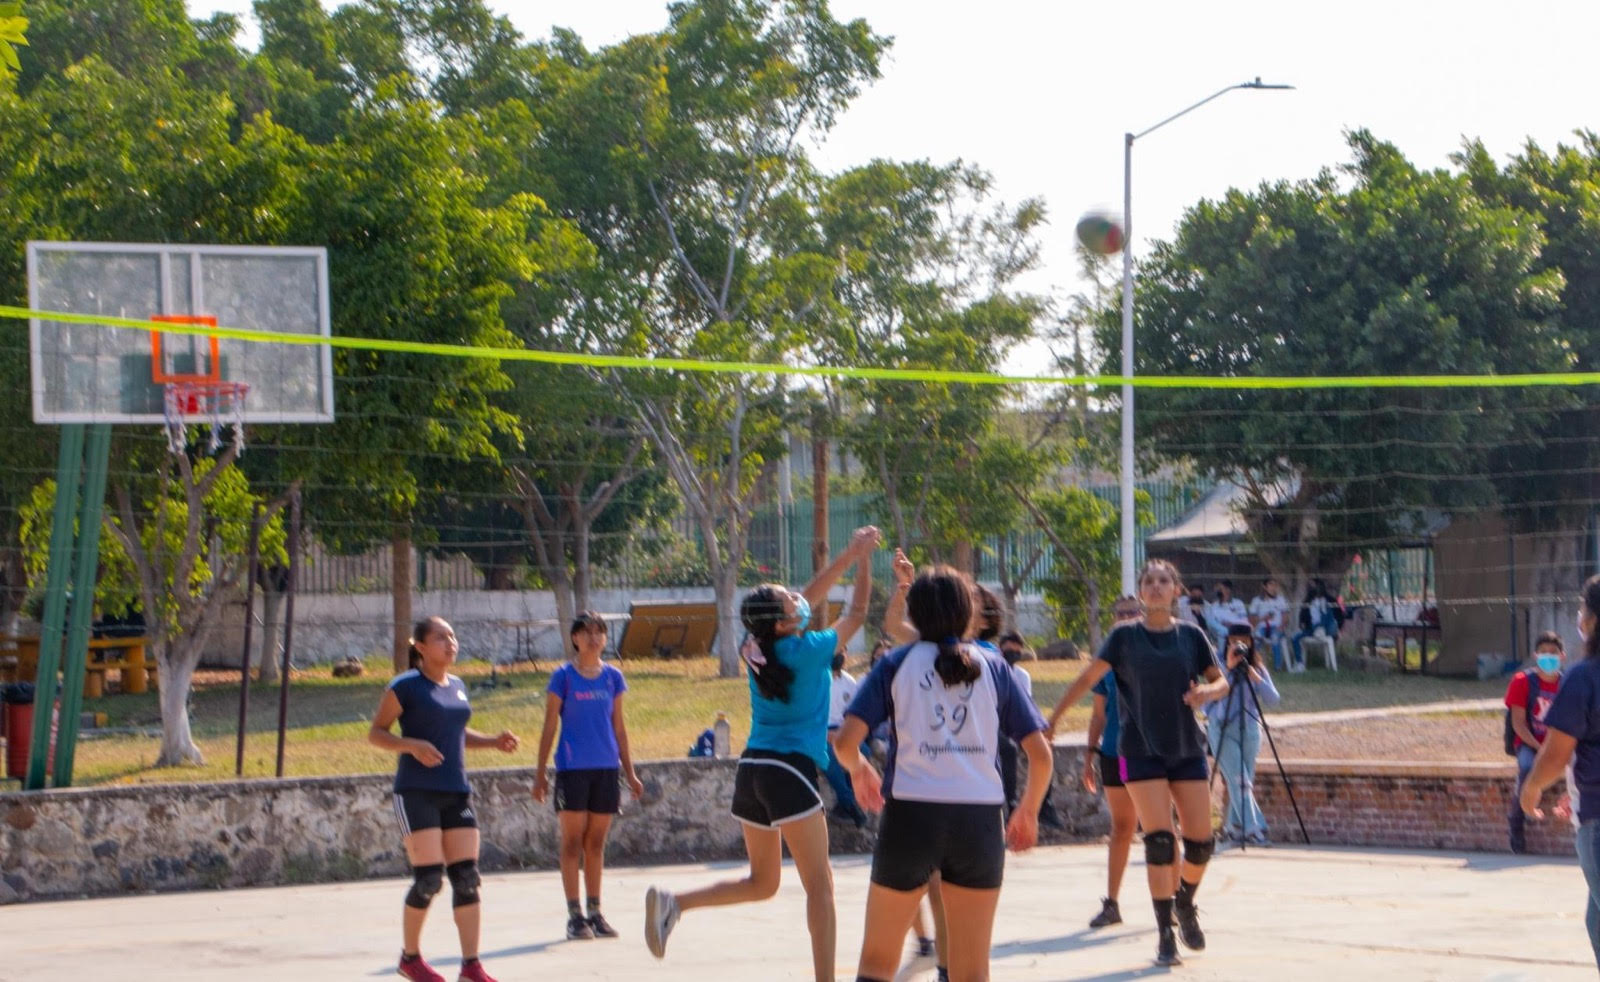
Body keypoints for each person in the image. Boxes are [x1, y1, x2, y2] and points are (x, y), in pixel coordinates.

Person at [644, 526, 880, 981]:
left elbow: (808, 597)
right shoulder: (808, 650)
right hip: (789, 771)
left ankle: (676, 904)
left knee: (763, 882)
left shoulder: (756, 647)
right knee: (820, 886)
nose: (798, 598)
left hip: (752, 770)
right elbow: (859, 612)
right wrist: (865, 560)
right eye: (789, 601)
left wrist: (850, 553)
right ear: (783, 621)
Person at [835, 566, 1053, 982]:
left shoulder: (895, 663)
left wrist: (860, 770)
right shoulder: (995, 666)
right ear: (970, 610)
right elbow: (1040, 756)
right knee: (970, 970)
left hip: (911, 818)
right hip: (980, 822)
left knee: (877, 965)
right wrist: (1028, 811)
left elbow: (845, 743)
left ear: (913, 614)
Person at [1046, 559, 1229, 967]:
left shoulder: (1191, 636)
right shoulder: (1123, 638)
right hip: (1139, 749)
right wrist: (1054, 718)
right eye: (1149, 581)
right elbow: (1085, 679)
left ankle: (1184, 901)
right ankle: (1165, 935)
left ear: (1177, 589)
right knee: (1161, 841)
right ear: (1142, 592)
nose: (1157, 586)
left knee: (1200, 842)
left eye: (1165, 580)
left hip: (1185, 747)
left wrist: (1208, 693)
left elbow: (1221, 680)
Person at [368, 617, 520, 982]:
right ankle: (410, 958)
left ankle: (471, 967)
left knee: (467, 878)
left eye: (452, 636)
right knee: (429, 880)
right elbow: (376, 733)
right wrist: (411, 745)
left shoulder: (458, 686)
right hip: (417, 791)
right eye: (440, 637)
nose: (450, 642)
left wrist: (492, 741)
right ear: (420, 647)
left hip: (457, 791)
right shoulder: (404, 686)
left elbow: (455, 732)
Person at [532, 612, 645, 940]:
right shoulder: (563, 677)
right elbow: (550, 726)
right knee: (571, 842)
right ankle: (574, 915)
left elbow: (620, 729)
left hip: (606, 769)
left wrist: (631, 773)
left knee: (596, 843)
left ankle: (595, 911)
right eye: (586, 632)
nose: (594, 637)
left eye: (600, 632)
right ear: (575, 638)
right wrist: (540, 775)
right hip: (572, 770)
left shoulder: (613, 678)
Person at [1521, 575, 1600, 971]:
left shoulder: (1584, 677)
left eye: (1583, 609)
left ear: (1592, 620)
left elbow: (1556, 753)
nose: (1579, 617)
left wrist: (1532, 788)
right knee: (1595, 918)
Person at [1082, 599, 1144, 930]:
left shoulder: (1158, 654)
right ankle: (1112, 903)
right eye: (1120, 613)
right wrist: (1089, 755)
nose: (1127, 618)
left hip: (1151, 753)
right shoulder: (1104, 665)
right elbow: (1098, 714)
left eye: (1133, 612)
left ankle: (1177, 901)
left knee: (1160, 829)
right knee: (1122, 827)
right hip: (1115, 754)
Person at [1207, 624, 1282, 845]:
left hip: (1250, 728)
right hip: (1222, 727)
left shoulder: (1257, 667)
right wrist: (1229, 671)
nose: (1239, 646)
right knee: (1239, 779)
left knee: (1242, 782)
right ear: (1227, 642)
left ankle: (1234, 826)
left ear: (1251, 642)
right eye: (1234, 641)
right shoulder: (1218, 666)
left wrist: (1255, 676)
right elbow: (1211, 698)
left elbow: (1273, 699)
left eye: (1244, 641)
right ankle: (1254, 828)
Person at [1504, 631, 1565, 854]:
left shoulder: (1567, 683)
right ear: (1535, 655)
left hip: (1558, 743)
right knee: (1528, 768)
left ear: (1562, 656)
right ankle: (1517, 821)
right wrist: (1540, 748)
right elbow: (1518, 723)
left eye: (1553, 653)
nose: (1549, 657)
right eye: (1544, 653)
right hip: (1529, 743)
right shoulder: (1522, 682)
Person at [996, 631, 1063, 830]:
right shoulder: (993, 668)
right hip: (995, 725)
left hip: (1013, 724)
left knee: (1043, 749)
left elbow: (1025, 708)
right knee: (1007, 749)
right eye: (1009, 650)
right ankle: (1011, 802)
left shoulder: (1021, 676)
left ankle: (1045, 804)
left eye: (1017, 652)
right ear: (1000, 649)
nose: (1013, 655)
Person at [824, 650, 869, 827]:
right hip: (821, 731)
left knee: (864, 751)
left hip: (843, 729)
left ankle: (848, 804)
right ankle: (850, 803)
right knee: (828, 757)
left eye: (843, 650)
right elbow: (809, 717)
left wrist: (847, 733)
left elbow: (854, 713)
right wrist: (827, 735)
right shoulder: (816, 681)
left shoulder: (849, 681)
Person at [1249, 578, 1289, 670]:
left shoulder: (1281, 600)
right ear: (1265, 587)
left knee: (1275, 639)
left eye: (1275, 585)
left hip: (1276, 627)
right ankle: (1253, 665)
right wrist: (1263, 618)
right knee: (1256, 640)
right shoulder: (1257, 601)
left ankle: (1277, 667)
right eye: (1271, 585)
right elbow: (1251, 620)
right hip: (1261, 627)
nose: (1274, 587)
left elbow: (1286, 616)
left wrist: (1281, 626)